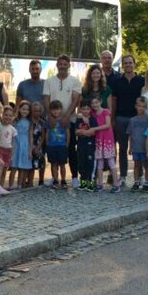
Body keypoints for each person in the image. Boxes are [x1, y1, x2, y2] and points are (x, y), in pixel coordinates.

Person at [43, 55, 82, 187]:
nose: (62, 66)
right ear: (57, 65)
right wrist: (50, 116)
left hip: (68, 120)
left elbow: (76, 100)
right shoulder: (49, 81)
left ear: (69, 65)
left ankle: (74, 177)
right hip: (53, 122)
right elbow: (46, 99)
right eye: (60, 64)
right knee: (53, 150)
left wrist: (66, 116)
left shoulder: (75, 81)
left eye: (65, 64)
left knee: (70, 149)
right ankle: (54, 178)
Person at [108, 54, 144, 189]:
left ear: (134, 64)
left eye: (130, 63)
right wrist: (112, 119)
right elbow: (114, 101)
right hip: (121, 118)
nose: (128, 65)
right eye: (126, 63)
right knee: (122, 149)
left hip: (137, 119)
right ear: (122, 65)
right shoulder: (117, 81)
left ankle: (138, 177)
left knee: (138, 149)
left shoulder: (141, 81)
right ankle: (123, 176)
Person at [89, 95, 117, 192]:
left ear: (100, 102)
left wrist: (94, 129)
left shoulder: (105, 112)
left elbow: (107, 125)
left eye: (96, 102)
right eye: (92, 103)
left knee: (111, 162)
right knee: (99, 163)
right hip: (99, 140)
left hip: (107, 140)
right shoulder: (92, 113)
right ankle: (100, 184)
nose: (94, 105)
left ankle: (116, 184)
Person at [127, 97, 148, 191]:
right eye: (139, 106)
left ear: (146, 107)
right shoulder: (132, 120)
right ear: (135, 106)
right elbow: (130, 134)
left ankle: (146, 182)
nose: (141, 108)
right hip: (136, 147)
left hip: (145, 148)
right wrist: (130, 147)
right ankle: (136, 182)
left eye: (143, 106)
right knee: (136, 165)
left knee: (146, 165)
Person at [45, 100, 70, 188]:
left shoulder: (64, 120)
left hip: (62, 145)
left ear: (61, 110)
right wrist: (47, 143)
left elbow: (68, 132)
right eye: (53, 110)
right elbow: (47, 132)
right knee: (53, 163)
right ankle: (55, 180)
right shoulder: (49, 120)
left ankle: (63, 180)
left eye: (57, 109)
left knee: (62, 164)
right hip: (52, 145)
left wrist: (67, 143)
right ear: (50, 111)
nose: (55, 111)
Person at [74, 100, 97, 192]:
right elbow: (76, 132)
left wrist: (83, 132)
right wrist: (85, 132)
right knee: (81, 164)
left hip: (90, 145)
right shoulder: (78, 120)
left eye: (88, 109)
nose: (86, 111)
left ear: (90, 109)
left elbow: (92, 132)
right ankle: (83, 184)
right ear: (80, 109)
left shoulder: (92, 119)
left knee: (90, 164)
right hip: (80, 145)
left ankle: (91, 184)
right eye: (84, 109)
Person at [12, 100, 33, 189]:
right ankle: (11, 185)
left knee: (23, 166)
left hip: (25, 144)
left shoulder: (30, 122)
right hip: (15, 143)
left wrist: (30, 150)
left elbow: (31, 136)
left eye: (27, 110)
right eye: (23, 109)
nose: (25, 111)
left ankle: (20, 184)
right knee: (14, 166)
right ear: (19, 109)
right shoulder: (15, 120)